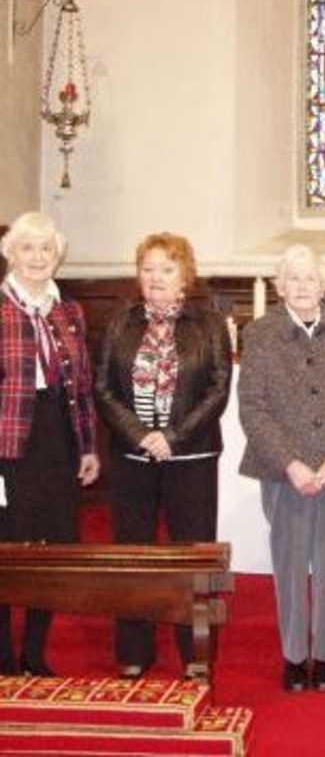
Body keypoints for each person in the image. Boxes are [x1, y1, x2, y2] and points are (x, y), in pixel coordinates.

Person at [238, 244, 325, 694]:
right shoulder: (260, 334)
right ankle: (295, 655)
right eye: (292, 278)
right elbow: (253, 408)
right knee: (291, 564)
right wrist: (291, 463)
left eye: (309, 277)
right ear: (279, 287)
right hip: (285, 472)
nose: (301, 286)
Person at [95, 232, 232, 679]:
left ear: (184, 276)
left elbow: (217, 388)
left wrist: (172, 435)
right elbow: (103, 387)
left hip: (191, 459)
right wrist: (139, 435)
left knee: (192, 559)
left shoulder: (209, 322)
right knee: (132, 557)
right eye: (148, 268)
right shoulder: (121, 322)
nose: (155, 278)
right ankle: (134, 650)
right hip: (132, 460)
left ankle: (195, 653)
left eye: (166, 269)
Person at [0, 211, 100, 676]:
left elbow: (82, 388)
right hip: (7, 445)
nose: (37, 257)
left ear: (56, 256)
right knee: (7, 549)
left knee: (50, 549)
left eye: (46, 249)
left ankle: (34, 652)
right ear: (10, 254)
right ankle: (2, 656)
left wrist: (88, 447)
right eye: (27, 248)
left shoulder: (70, 311)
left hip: (58, 437)